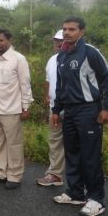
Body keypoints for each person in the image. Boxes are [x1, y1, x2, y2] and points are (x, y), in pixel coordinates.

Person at [51, 16, 108, 216]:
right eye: (64, 29)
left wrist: (107, 108)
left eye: (71, 29)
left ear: (82, 31)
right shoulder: (61, 56)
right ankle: (76, 192)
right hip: (69, 112)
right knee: (73, 154)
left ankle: (97, 199)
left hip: (89, 110)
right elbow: (60, 87)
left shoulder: (90, 52)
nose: (67, 33)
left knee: (90, 156)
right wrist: (55, 110)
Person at [0, 29, 33, 190]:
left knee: (14, 144)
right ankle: (1, 172)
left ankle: (15, 176)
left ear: (9, 40)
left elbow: (25, 85)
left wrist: (26, 106)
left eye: (1, 40)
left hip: (12, 109)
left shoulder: (19, 59)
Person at [36, 30, 65, 186]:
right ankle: (55, 175)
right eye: (56, 41)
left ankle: (82, 182)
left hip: (76, 110)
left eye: (61, 41)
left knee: (78, 144)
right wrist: (47, 96)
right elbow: (48, 80)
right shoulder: (52, 60)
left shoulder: (82, 57)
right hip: (55, 109)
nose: (58, 44)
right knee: (55, 141)